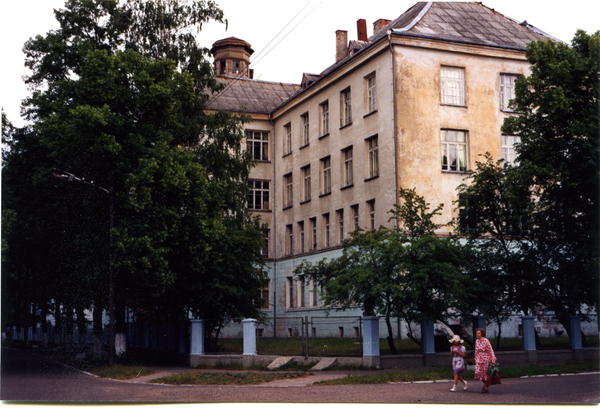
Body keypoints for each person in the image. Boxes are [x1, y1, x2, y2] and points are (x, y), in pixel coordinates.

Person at [474, 328, 496, 393]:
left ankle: (486, 387)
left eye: (478, 333)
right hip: (479, 358)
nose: (477, 334)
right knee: (478, 372)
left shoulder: (486, 341)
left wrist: (493, 359)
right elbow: (476, 351)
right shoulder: (477, 341)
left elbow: (490, 350)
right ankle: (486, 384)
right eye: (476, 333)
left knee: (485, 373)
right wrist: (475, 358)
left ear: (482, 334)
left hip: (486, 358)